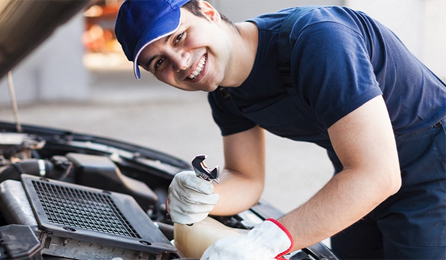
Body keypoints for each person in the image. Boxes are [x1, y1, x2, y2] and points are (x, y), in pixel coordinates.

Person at [114, 0, 446, 259]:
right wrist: (204, 198)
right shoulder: (225, 93)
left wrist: (264, 242)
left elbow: (377, 175)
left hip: (432, 174)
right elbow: (246, 177)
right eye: (159, 63)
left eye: (179, 37)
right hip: (359, 178)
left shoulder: (317, 40)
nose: (181, 63)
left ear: (208, 11)